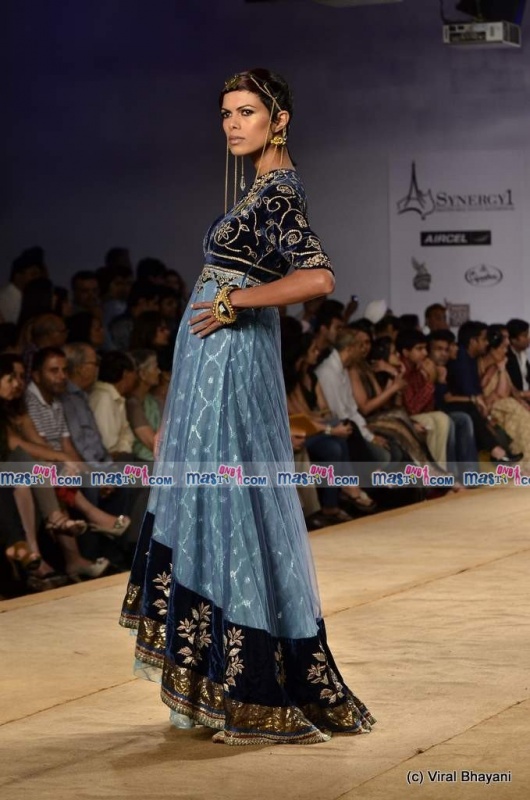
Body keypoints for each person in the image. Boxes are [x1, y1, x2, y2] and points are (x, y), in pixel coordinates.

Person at [119, 68, 375, 745]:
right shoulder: (261, 189)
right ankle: (222, 682)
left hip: (232, 362)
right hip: (216, 364)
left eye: (247, 112)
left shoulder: (280, 191)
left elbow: (318, 277)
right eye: (226, 113)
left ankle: (253, 685)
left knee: (232, 501)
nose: (232, 124)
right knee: (223, 501)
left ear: (279, 120)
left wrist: (233, 300)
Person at [479, 326, 530, 461]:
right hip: (495, 410)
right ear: (491, 349)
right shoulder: (481, 366)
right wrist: (500, 369)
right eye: (503, 348)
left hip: (508, 407)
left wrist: (522, 401)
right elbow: (500, 394)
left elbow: (512, 390)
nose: (506, 351)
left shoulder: (500, 364)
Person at [506, 318, 530, 396]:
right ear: (513, 339)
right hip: (517, 396)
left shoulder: (524, 354)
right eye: (525, 335)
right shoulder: (506, 357)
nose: (528, 338)